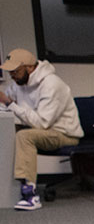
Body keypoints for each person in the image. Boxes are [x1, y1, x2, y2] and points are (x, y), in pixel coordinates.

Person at [1, 48, 82, 211]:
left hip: (63, 134)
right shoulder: (20, 83)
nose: (12, 76)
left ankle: (30, 195)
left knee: (24, 136)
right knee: (8, 133)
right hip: (42, 130)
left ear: (29, 67)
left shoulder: (51, 84)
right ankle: (7, 188)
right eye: (10, 72)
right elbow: (7, 98)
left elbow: (42, 123)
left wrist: (9, 103)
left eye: (15, 71)